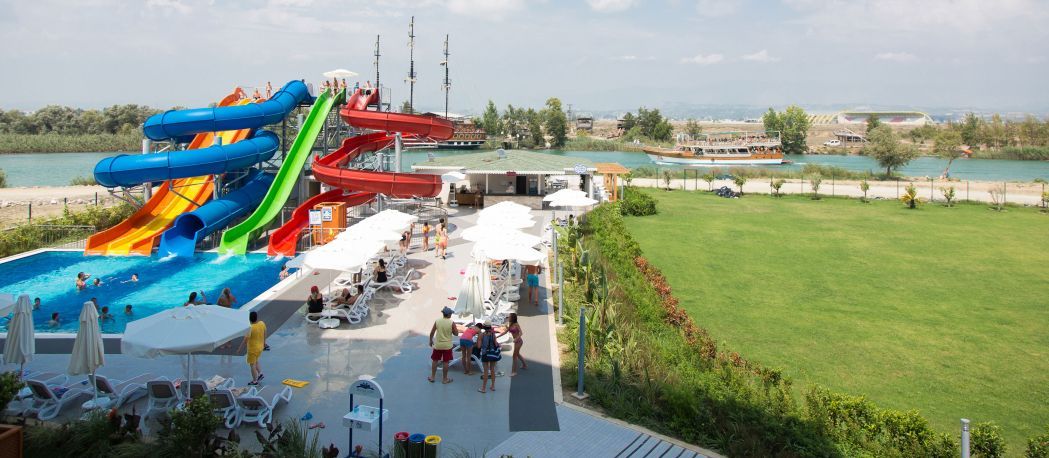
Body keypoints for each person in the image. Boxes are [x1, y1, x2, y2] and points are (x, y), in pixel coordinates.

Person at [428, 306, 459, 384]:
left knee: (435, 360)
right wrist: (452, 330)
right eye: (451, 313)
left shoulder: (437, 321)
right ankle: (445, 379)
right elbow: (456, 333)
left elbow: (432, 332)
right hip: (447, 346)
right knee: (446, 362)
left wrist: (431, 340)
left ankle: (432, 377)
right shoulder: (451, 322)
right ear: (448, 314)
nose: (451, 314)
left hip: (438, 345)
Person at [237, 311, 267, 386]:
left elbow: (245, 340)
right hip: (260, 347)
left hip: (252, 350)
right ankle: (260, 374)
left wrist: (239, 349)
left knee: (252, 365)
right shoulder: (261, 323)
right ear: (257, 317)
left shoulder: (250, 328)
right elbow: (265, 333)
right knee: (256, 361)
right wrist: (264, 343)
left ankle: (255, 381)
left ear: (249, 319)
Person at [479, 324, 500, 392]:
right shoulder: (493, 335)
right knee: (492, 370)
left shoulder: (481, 335)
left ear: (484, 327)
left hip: (485, 354)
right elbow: (496, 344)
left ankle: (483, 388)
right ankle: (493, 386)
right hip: (492, 354)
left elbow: (479, 346)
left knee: (485, 371)